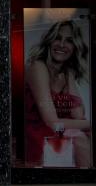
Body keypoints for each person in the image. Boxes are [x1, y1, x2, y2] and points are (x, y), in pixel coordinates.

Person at [24, 19, 91, 168]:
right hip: (38, 130)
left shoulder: (65, 72)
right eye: (57, 38)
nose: (61, 44)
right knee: (80, 137)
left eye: (69, 41)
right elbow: (52, 123)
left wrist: (70, 76)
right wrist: (89, 124)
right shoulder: (38, 67)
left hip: (59, 127)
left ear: (75, 47)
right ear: (49, 41)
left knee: (82, 136)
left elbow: (78, 115)